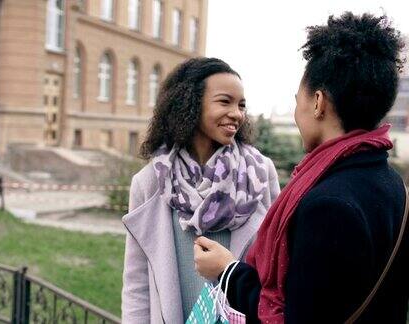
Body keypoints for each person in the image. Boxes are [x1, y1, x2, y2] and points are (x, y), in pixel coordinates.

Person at [193, 12, 408, 323]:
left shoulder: (328, 205)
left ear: (318, 102)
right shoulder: (393, 184)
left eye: (299, 100)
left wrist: (227, 272)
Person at [122, 57, 280, 323]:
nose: (237, 113)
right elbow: (137, 283)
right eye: (224, 101)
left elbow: (275, 267)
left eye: (241, 105)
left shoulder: (260, 173)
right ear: (190, 104)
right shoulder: (150, 182)